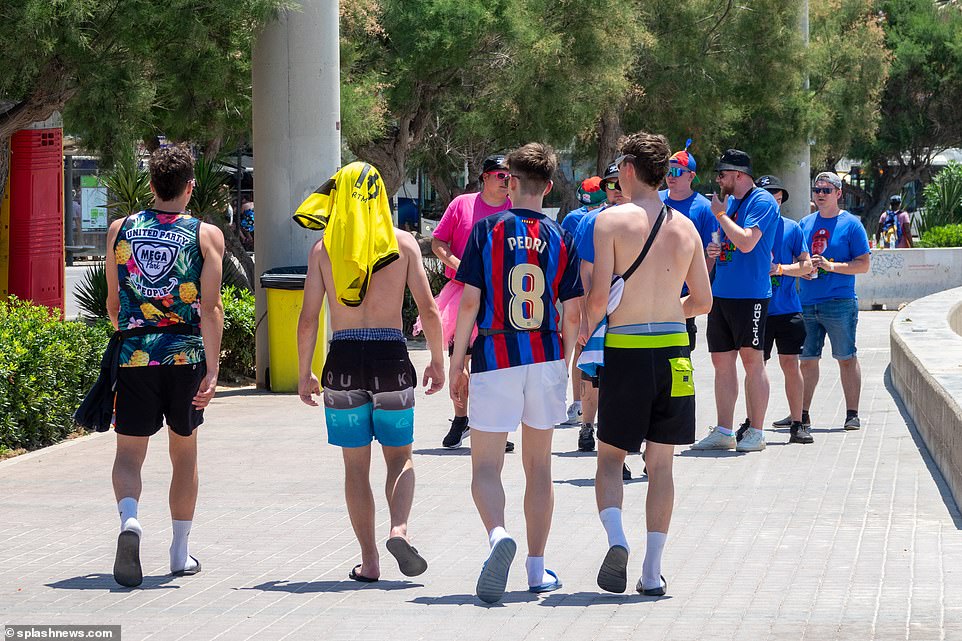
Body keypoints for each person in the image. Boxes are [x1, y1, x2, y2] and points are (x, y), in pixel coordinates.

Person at [296, 161, 445, 582]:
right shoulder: (403, 244)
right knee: (400, 458)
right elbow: (429, 310)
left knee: (355, 467)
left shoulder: (324, 249)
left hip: (342, 361)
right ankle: (399, 529)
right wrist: (438, 359)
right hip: (390, 358)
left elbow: (308, 319)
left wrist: (305, 371)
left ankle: (370, 561)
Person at [449, 143, 582, 604]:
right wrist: (563, 364)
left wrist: (456, 362)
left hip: (495, 354)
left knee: (486, 465)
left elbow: (468, 301)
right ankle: (537, 568)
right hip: (545, 354)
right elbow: (573, 312)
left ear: (509, 182)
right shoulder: (563, 236)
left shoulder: (486, 230)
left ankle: (497, 535)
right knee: (539, 467)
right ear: (547, 186)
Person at [586, 132, 712, 596]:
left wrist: (589, 327)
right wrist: (663, 309)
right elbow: (703, 300)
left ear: (631, 169)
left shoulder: (610, 222)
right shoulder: (687, 228)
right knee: (661, 465)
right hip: (676, 354)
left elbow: (598, 299)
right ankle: (651, 571)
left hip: (626, 351)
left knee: (610, 458)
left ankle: (617, 540)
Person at [104, 145, 225, 587]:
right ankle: (179, 554)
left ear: (151, 185)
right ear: (190, 187)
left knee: (129, 454)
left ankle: (130, 522)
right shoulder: (205, 235)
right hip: (185, 356)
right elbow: (210, 308)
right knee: (184, 453)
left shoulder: (120, 229)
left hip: (135, 354)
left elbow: (113, 303)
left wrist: (134, 331)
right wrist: (212, 371)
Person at [419, 155, 513, 452]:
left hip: (501, 296)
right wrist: (460, 265)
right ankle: (461, 418)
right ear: (484, 177)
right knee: (460, 361)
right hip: (461, 292)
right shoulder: (462, 204)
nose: (506, 180)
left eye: (510, 175)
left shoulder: (516, 208)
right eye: (500, 175)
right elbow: (437, 243)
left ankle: (491, 425)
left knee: (494, 365)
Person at [691, 149, 780, 453]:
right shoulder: (731, 204)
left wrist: (720, 215)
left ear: (739, 175)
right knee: (721, 362)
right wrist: (712, 252)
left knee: (752, 361)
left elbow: (746, 241)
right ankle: (725, 430)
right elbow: (721, 240)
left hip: (751, 295)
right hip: (722, 294)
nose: (719, 179)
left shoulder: (762, 201)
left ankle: (756, 431)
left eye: (723, 174)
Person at [739, 176, 813, 444]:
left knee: (790, 364)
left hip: (787, 309)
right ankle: (751, 422)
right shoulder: (747, 227)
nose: (774, 199)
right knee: (754, 368)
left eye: (778, 196)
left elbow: (807, 267)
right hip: (757, 308)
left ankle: (798, 422)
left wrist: (781, 269)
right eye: (769, 194)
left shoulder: (792, 229)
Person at [799, 171, 871, 432]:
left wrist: (832, 266)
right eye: (817, 189)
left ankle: (852, 414)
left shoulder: (852, 225)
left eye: (826, 190)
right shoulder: (805, 223)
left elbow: (863, 265)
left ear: (839, 194)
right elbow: (799, 258)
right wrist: (803, 268)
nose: (820, 194)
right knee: (806, 361)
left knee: (846, 357)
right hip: (806, 302)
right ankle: (801, 414)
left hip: (839, 302)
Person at [572, 163, 628, 455]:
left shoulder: (646, 218)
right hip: (601, 312)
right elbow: (586, 273)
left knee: (625, 378)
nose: (616, 189)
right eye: (610, 184)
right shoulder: (592, 221)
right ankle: (586, 426)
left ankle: (626, 435)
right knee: (592, 372)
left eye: (621, 182)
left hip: (633, 315)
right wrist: (586, 318)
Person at [558, 176, 606, 427]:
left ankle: (597, 405)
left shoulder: (609, 218)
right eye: (585, 205)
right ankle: (578, 403)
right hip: (577, 290)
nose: (589, 210)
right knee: (580, 345)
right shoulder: (572, 218)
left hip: (600, 290)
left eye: (594, 205)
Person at [658, 149, 717, 350]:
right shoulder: (655, 200)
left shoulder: (704, 208)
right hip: (653, 289)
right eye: (667, 171)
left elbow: (711, 252)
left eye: (676, 172)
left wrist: (697, 287)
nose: (669, 177)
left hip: (682, 294)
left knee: (680, 357)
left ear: (691, 176)